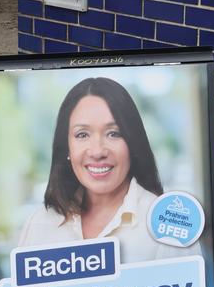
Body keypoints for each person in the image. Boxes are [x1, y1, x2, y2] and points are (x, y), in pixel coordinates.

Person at [18, 77, 199, 263]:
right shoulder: (40, 223)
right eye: (82, 134)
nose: (97, 151)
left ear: (132, 143)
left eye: (114, 133)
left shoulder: (170, 224)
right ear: (66, 148)